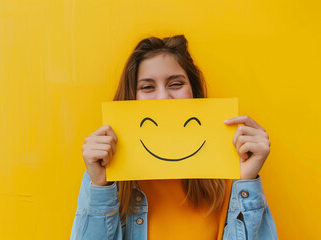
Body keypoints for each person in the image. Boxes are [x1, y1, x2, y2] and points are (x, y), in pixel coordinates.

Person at [70, 35, 277, 240]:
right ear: (131, 98)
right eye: (147, 87)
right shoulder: (104, 175)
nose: (163, 98)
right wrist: (100, 187)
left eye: (176, 84)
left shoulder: (230, 172)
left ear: (193, 93)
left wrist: (247, 181)